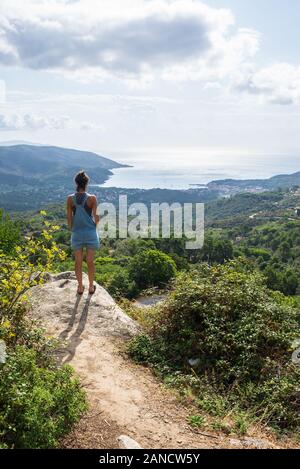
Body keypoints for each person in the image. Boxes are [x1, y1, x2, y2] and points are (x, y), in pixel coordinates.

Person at [67, 171, 100, 295]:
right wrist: (94, 227)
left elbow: (69, 217)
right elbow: (96, 217)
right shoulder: (92, 198)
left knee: (78, 261)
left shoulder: (70, 199)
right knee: (90, 261)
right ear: (87, 183)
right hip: (90, 232)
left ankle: (80, 287)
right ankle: (91, 286)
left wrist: (73, 230)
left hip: (77, 233)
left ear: (76, 183)